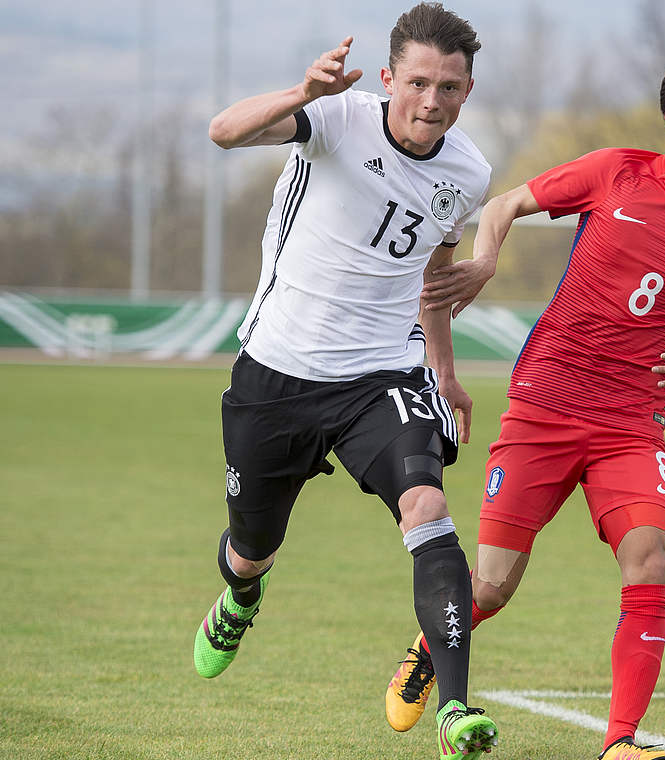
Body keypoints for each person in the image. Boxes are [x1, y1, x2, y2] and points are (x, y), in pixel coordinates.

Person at [385, 45, 665, 760]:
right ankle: (426, 649)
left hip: (632, 423)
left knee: (650, 558)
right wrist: (487, 258)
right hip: (545, 404)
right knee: (495, 588)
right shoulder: (614, 171)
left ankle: (621, 744)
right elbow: (505, 205)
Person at [191, 5, 497, 758]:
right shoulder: (334, 119)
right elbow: (223, 132)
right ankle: (242, 596)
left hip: (379, 377)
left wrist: (446, 373)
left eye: (450, 87)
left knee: (427, 506)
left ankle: (455, 708)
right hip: (276, 375)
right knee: (250, 548)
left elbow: (433, 277)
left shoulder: (470, 173)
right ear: (389, 77)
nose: (432, 101)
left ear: (467, 90)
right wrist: (301, 91)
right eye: (419, 82)